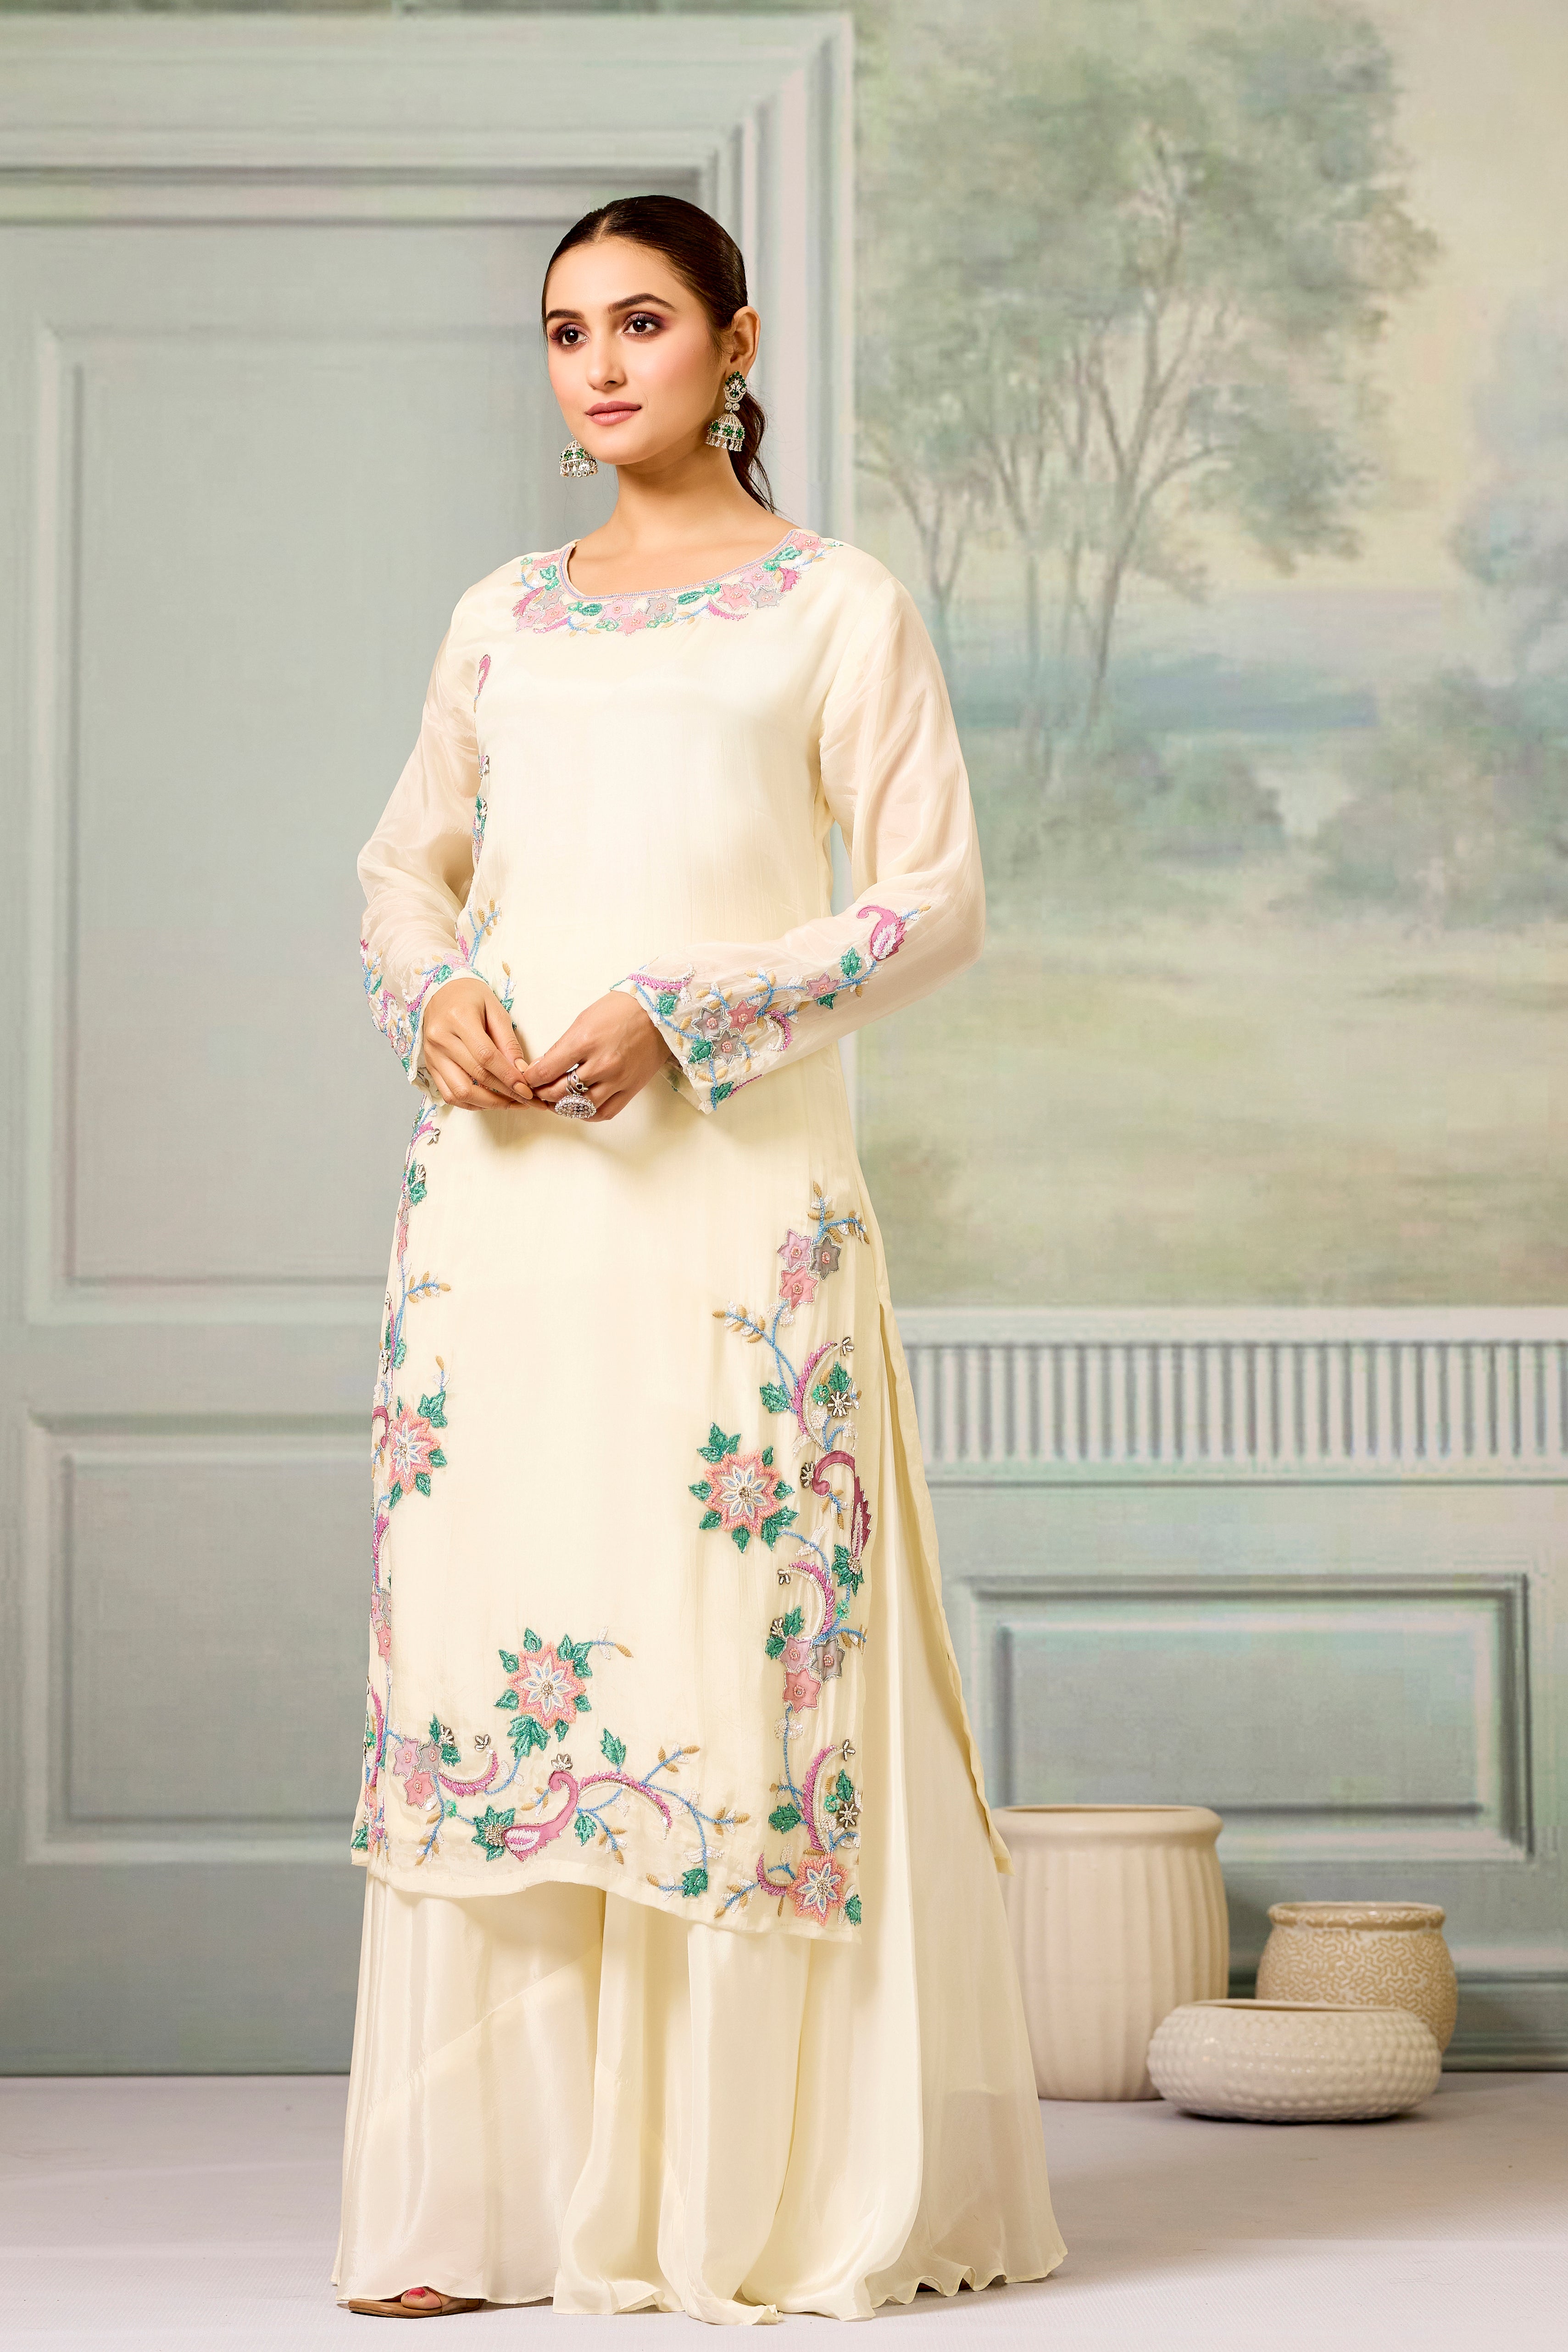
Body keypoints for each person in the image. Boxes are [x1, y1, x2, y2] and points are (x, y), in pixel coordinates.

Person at [333, 193, 1065, 2324]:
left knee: (732, 1673)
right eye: (567, 330)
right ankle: (487, 2211)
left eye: (642, 321)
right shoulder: (502, 616)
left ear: (735, 344)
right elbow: (401, 868)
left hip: (731, 1220)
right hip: (505, 1221)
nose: (600, 363)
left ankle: (740, 2208)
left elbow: (931, 900)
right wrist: (435, 998)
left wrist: (687, 1008)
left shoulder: (833, 607)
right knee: (501, 1673)